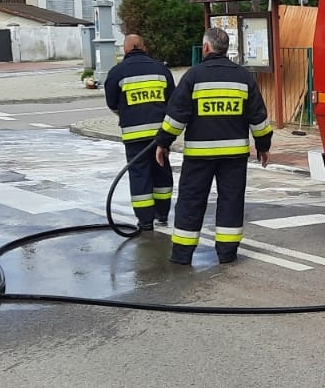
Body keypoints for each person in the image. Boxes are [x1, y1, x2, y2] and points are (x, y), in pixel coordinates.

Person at [154, 26, 273, 266]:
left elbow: (177, 116)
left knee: (191, 201)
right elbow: (258, 118)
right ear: (225, 49)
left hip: (200, 156)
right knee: (231, 200)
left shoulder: (193, 76)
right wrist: (263, 146)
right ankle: (227, 254)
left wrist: (163, 142)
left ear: (206, 47)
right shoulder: (243, 77)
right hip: (234, 156)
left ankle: (182, 255)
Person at [104, 34, 176, 231]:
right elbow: (173, 102)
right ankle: (162, 214)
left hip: (134, 136)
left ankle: (145, 221)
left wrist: (127, 114)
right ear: (143, 48)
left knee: (139, 176)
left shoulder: (117, 73)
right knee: (162, 172)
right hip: (161, 136)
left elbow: (112, 103)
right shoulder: (161, 70)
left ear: (125, 50)